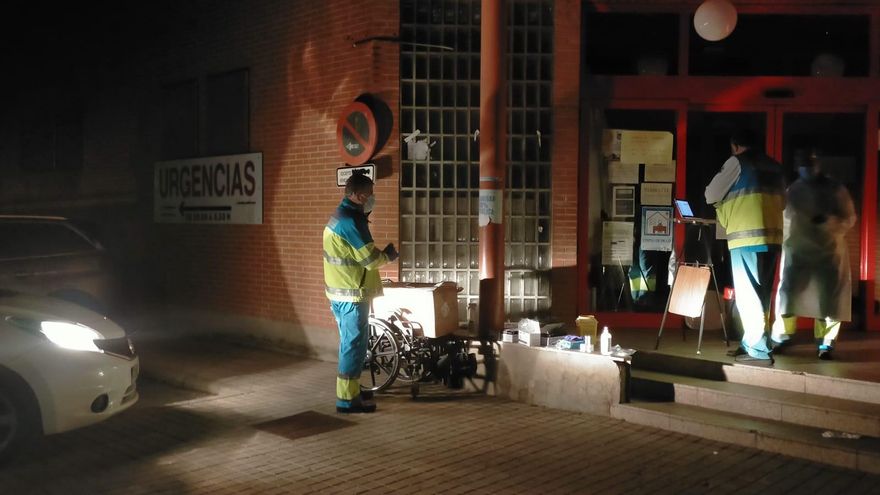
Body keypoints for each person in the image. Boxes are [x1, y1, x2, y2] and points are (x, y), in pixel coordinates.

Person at [705, 129, 785, 364]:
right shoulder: (775, 167)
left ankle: (758, 348)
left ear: (735, 145)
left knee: (749, 295)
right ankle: (752, 341)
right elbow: (783, 202)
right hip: (772, 238)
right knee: (762, 295)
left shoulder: (737, 162)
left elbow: (711, 194)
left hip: (746, 238)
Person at [770, 149, 856, 360]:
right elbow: (785, 219)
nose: (806, 167)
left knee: (828, 300)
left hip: (828, 252)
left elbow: (848, 218)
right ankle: (782, 336)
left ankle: (826, 343)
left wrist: (828, 222)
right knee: (788, 295)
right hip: (799, 251)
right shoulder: (794, 190)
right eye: (803, 163)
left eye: (809, 162)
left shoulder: (835, 190)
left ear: (818, 164)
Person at [323, 173, 398, 413]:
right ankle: (346, 400)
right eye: (369, 194)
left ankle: (353, 390)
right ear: (357, 195)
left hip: (341, 294)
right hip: (352, 296)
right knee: (353, 346)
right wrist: (388, 256)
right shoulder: (352, 221)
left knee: (351, 344)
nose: (371, 198)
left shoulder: (340, 216)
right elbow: (370, 260)